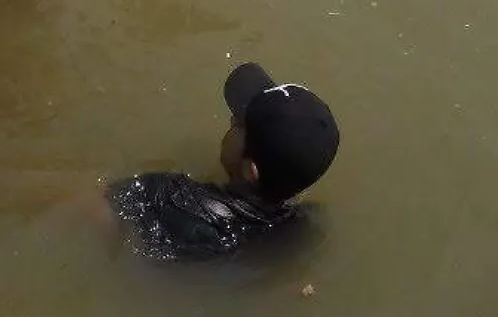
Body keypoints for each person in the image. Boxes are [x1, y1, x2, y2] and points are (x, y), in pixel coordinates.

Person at [106, 62, 340, 259]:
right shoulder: (301, 232)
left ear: (250, 171)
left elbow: (82, 211)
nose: (230, 120)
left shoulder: (159, 198)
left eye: (238, 124)